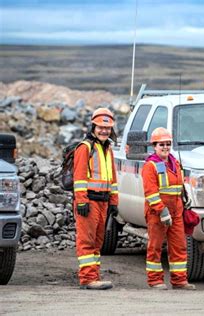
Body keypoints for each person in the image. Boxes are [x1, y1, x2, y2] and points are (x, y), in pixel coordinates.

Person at [141, 127, 195, 290]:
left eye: (167, 144)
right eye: (161, 144)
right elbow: (151, 192)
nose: (165, 147)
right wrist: (162, 211)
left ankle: (179, 281)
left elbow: (178, 186)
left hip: (176, 210)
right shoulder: (151, 166)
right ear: (154, 146)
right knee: (155, 246)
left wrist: (185, 201)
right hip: (157, 213)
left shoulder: (174, 162)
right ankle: (155, 280)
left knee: (179, 245)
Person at [73, 108, 119, 290]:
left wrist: (114, 202)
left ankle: (94, 276)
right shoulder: (85, 148)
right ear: (93, 126)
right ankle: (87, 278)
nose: (104, 131)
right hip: (89, 202)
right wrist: (82, 201)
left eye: (107, 128)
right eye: (100, 127)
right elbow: (79, 178)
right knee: (87, 240)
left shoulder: (108, 148)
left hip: (103, 202)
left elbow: (113, 179)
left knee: (98, 241)